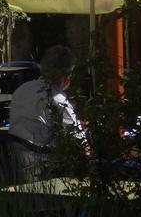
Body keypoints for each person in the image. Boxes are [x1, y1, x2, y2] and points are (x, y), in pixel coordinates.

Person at [7, 45, 85, 181]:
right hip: (41, 167)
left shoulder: (22, 89)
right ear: (66, 77)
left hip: (15, 160)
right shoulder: (57, 99)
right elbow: (78, 140)